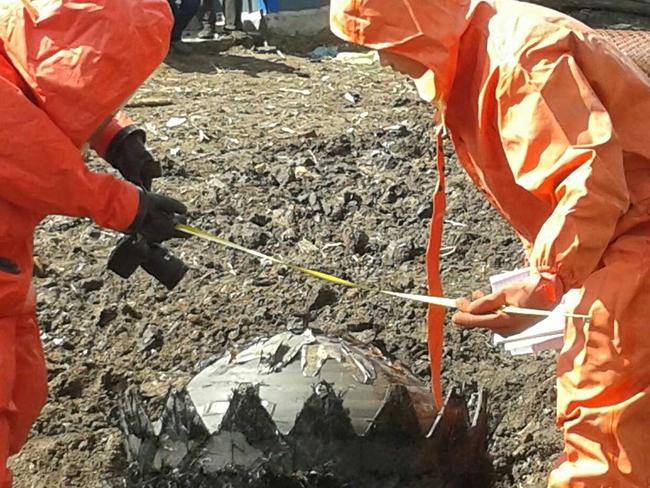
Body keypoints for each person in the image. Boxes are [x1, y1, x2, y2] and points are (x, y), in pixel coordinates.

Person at [331, 0, 650, 486]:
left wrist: (546, 284)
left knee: (604, 406)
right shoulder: (477, 45)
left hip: (635, 235)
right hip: (617, 232)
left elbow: (592, 181)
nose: (382, 61)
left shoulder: (518, 58)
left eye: (383, 44)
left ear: (416, 26)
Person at [0, 0, 188, 485]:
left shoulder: (20, 48)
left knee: (24, 388)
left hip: (7, 261)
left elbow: (49, 81)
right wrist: (131, 208)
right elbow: (46, 169)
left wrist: (114, 136)